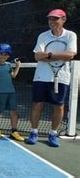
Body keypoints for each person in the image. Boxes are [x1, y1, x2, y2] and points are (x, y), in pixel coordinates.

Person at [27, 9, 77, 147]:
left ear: (63, 20)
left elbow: (70, 55)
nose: (52, 22)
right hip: (41, 76)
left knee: (59, 106)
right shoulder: (43, 36)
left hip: (62, 77)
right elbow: (37, 56)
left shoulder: (70, 36)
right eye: (50, 19)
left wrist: (48, 55)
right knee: (37, 104)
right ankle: (34, 132)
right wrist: (60, 54)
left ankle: (53, 134)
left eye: (56, 19)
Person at [0, 43, 23, 141]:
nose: (3, 56)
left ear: (8, 56)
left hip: (11, 92)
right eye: (1, 54)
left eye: (5, 54)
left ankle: (14, 131)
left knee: (14, 112)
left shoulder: (8, 65)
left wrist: (17, 66)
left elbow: (13, 75)